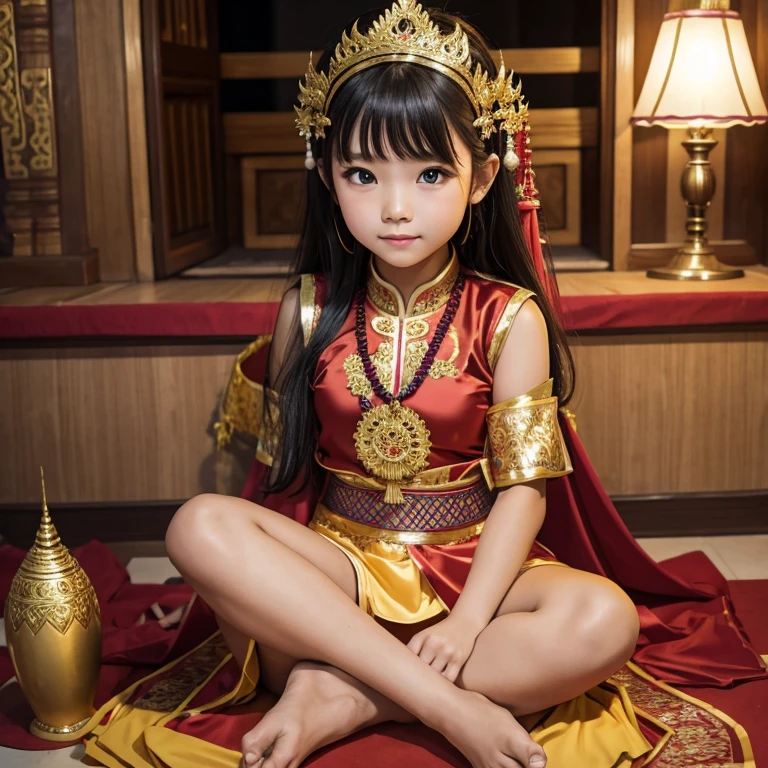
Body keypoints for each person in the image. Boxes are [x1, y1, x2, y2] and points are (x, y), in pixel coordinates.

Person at [81, 3, 762, 767]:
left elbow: (524, 493)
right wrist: (433, 686)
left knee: (605, 621)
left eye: (431, 173)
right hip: (336, 571)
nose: (396, 207)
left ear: (482, 180)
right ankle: (439, 700)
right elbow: (279, 485)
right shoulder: (304, 310)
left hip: (473, 566)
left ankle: (347, 691)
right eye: (363, 174)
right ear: (326, 176)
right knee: (198, 525)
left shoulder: (509, 317)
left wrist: (469, 621)